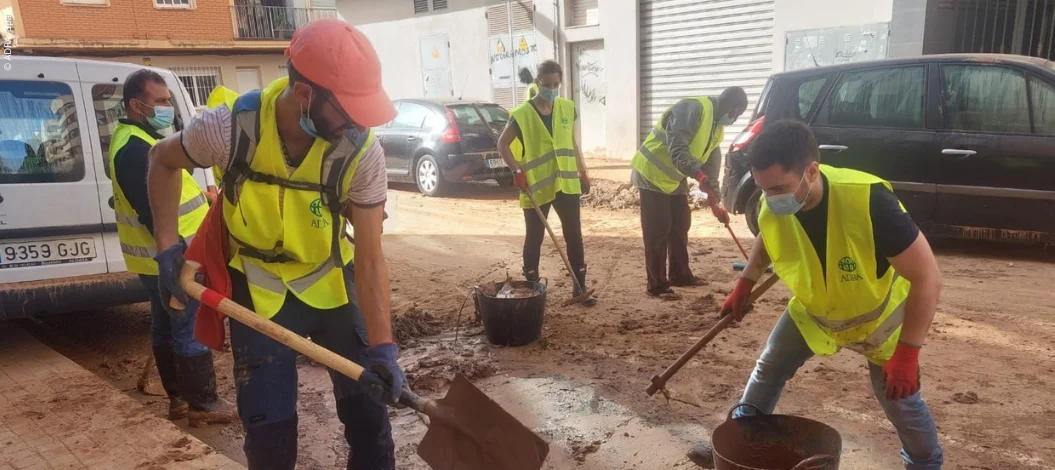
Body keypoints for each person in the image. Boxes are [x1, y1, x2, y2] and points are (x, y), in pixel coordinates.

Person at [145, 19, 405, 469]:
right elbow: (160, 160)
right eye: (347, 111)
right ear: (305, 94)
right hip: (257, 290)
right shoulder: (230, 129)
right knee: (268, 432)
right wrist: (168, 246)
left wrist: (382, 346)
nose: (356, 124)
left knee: (369, 414)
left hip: (330, 286)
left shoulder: (362, 151)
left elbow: (370, 258)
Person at [690, 120, 944, 469]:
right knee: (769, 368)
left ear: (811, 171)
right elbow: (769, 231)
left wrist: (909, 353)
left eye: (780, 187)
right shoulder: (774, 204)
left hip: (879, 322)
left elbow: (927, 277)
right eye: (764, 189)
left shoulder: (869, 201)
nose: (771, 198)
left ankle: (926, 465)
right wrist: (745, 283)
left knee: (902, 401)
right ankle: (737, 442)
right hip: (815, 312)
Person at [108, 69, 236, 428]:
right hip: (171, 257)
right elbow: (152, 212)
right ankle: (201, 402)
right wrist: (175, 257)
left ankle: (179, 399)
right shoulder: (135, 149)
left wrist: (204, 198)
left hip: (156, 258)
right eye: (162, 101)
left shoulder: (135, 138)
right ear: (137, 105)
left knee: (165, 326)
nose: (169, 108)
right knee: (187, 325)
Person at [631, 87, 748, 300]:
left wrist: (715, 204)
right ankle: (656, 285)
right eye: (737, 115)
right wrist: (698, 175)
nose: (734, 119)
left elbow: (710, 170)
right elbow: (678, 151)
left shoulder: (717, 129)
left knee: (680, 224)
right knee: (658, 228)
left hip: (673, 178)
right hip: (651, 171)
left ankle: (680, 274)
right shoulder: (693, 109)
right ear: (734, 109)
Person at [497, 60, 596, 306]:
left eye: (556, 84)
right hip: (535, 186)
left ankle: (579, 285)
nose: (552, 89)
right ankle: (531, 288)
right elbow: (502, 145)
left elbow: (572, 143)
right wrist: (516, 171)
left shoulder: (567, 108)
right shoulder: (522, 115)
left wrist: (582, 170)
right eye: (548, 84)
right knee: (535, 237)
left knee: (574, 234)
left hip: (565, 183)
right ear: (537, 83)